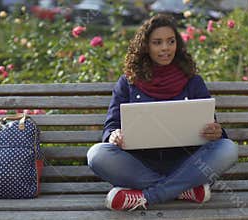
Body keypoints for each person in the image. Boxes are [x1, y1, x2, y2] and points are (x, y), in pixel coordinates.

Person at [87, 14, 238, 211]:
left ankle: (148, 196)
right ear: (146, 47)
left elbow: (213, 128)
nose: (165, 48)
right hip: (139, 165)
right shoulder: (128, 82)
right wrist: (113, 135)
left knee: (228, 149)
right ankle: (184, 190)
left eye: (171, 41)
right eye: (157, 43)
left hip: (185, 163)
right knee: (96, 154)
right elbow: (110, 126)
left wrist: (216, 132)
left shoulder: (192, 81)